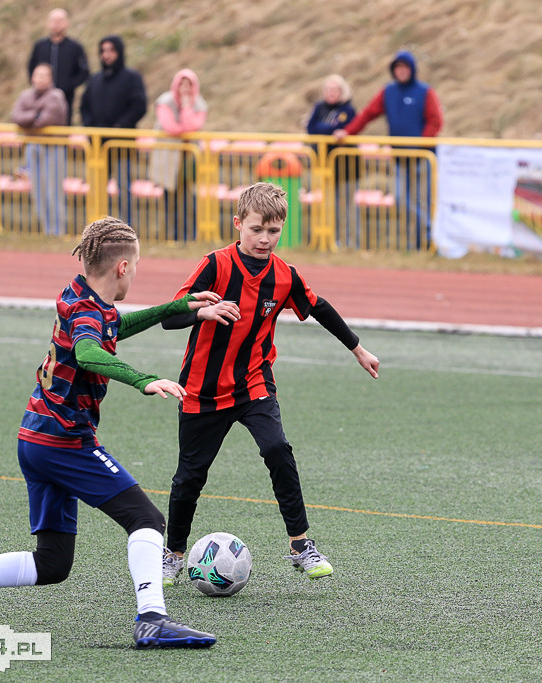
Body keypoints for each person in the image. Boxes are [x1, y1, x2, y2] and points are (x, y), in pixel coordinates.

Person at [0, 217, 222, 648]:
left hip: (35, 437)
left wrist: (179, 307)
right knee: (147, 520)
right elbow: (90, 350)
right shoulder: (89, 314)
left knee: (53, 563)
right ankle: (152, 618)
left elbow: (113, 327)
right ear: (123, 268)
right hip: (63, 441)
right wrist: (143, 379)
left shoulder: (79, 295)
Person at [158, 182, 380, 587]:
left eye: (274, 231)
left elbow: (319, 308)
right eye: (257, 229)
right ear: (238, 224)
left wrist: (358, 349)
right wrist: (202, 314)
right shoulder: (216, 265)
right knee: (190, 476)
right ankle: (172, 554)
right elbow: (170, 317)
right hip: (203, 390)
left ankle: (301, 545)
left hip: (254, 384)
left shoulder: (283, 276)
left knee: (278, 449)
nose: (264, 239)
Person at [333, 50, 443, 250]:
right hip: (400, 158)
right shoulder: (388, 92)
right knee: (401, 200)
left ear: (412, 70)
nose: (401, 72)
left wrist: (421, 145)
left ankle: (425, 242)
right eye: (398, 68)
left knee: (423, 202)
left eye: (404, 68)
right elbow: (367, 114)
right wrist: (348, 132)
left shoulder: (425, 92)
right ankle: (416, 240)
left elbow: (435, 121)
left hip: (422, 158)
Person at [80, 36, 147, 226]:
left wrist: (119, 127)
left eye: (111, 50)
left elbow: (139, 106)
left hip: (121, 144)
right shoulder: (94, 80)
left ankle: (126, 228)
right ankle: (98, 227)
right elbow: (84, 107)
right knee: (98, 189)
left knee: (123, 189)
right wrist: (91, 128)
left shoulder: (132, 78)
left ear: (119, 52)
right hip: (98, 146)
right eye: (103, 51)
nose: (107, 55)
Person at [148, 68, 208, 242]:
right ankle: (172, 236)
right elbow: (171, 127)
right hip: (169, 158)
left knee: (190, 198)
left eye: (189, 85)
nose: (185, 88)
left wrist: (187, 106)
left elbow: (194, 125)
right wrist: (185, 130)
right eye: (182, 84)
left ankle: (191, 237)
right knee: (170, 197)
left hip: (189, 157)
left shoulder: (199, 104)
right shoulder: (165, 102)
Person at [11, 63, 69, 236]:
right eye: (37, 75)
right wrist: (34, 116)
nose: (40, 79)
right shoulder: (25, 95)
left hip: (53, 147)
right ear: (32, 77)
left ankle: (58, 230)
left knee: (54, 190)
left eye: (44, 75)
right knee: (38, 190)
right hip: (33, 147)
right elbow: (16, 116)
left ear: (50, 78)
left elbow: (47, 119)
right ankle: (46, 229)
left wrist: (29, 120)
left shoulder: (56, 96)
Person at [27, 9, 89, 126]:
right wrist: (37, 83)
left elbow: (84, 71)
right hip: (39, 98)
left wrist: (68, 86)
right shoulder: (40, 46)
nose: (56, 24)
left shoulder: (75, 47)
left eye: (60, 20)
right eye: (53, 20)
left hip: (66, 98)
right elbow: (31, 67)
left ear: (67, 23)